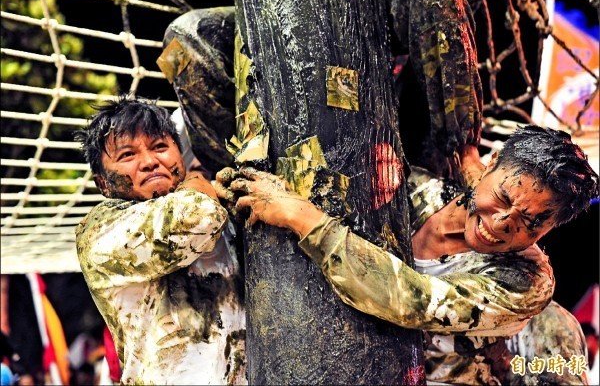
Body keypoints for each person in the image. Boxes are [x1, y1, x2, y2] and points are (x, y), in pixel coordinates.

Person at [216, 125, 599, 385]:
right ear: (492, 163)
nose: (502, 224)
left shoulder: (528, 283)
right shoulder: (414, 191)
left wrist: (304, 218)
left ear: (550, 229)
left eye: (530, 224)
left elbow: (411, 300)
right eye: (501, 198)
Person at [73, 95, 246, 385]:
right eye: (128, 155)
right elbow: (198, 217)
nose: (150, 162)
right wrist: (197, 179)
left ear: (179, 154)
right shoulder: (100, 231)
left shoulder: (215, 205)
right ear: (102, 182)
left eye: (160, 147)